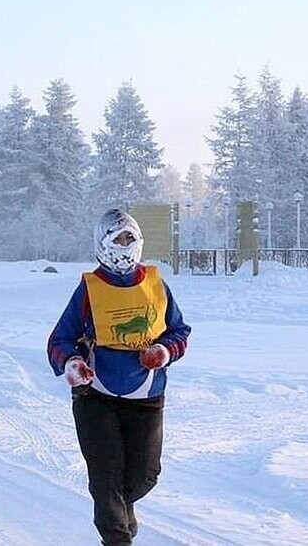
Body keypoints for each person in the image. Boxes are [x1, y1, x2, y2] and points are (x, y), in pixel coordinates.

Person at [47, 208, 191, 545]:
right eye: (118, 238)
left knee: (144, 476)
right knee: (105, 475)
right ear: (102, 243)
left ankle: (123, 509)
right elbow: (60, 340)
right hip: (95, 396)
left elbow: (179, 331)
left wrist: (165, 351)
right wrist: (71, 363)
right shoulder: (89, 289)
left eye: (130, 238)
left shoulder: (157, 284)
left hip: (146, 396)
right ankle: (116, 536)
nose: (124, 245)